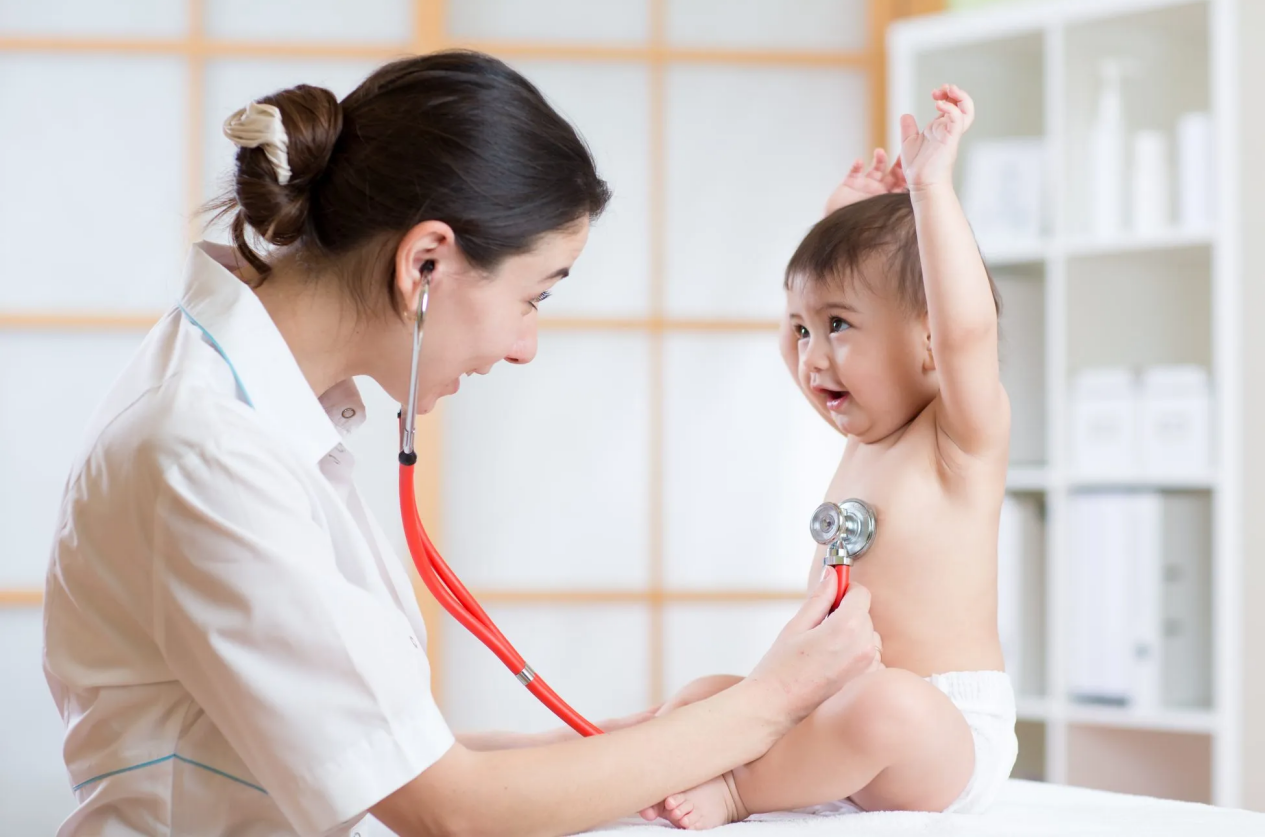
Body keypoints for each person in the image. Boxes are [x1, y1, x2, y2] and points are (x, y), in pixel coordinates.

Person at [40, 51, 882, 837]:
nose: (525, 346)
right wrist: (770, 701)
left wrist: (648, 741)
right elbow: (445, 807)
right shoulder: (209, 449)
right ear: (426, 264)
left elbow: (395, 754)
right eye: (534, 297)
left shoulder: (258, 409)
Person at [646, 86, 1018, 829]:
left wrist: (930, 190)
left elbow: (967, 332)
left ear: (928, 340)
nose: (812, 356)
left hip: (939, 728)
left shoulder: (955, 439)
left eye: (838, 325)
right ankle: (663, 761)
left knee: (887, 704)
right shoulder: (863, 438)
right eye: (800, 330)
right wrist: (837, 222)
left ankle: (741, 792)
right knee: (703, 696)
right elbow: (806, 334)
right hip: (836, 705)